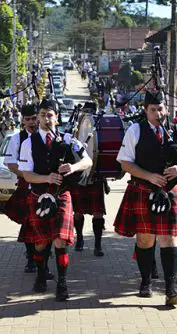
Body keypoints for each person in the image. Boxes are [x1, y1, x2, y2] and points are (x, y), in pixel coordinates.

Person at [114, 91, 177, 306]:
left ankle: (170, 289)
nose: (158, 113)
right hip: (144, 189)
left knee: (169, 238)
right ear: (145, 110)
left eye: (161, 108)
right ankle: (146, 281)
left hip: (171, 192)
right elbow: (125, 163)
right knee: (145, 239)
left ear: (166, 108)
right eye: (153, 109)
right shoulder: (135, 131)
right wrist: (149, 176)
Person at [18, 99, 93, 301]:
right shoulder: (28, 143)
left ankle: (62, 282)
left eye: (50, 115)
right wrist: (46, 178)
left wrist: (72, 167)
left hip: (61, 195)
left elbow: (88, 160)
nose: (45, 118)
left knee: (60, 240)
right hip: (39, 195)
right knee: (41, 243)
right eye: (42, 115)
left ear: (57, 117)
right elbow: (26, 175)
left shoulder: (68, 139)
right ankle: (42, 275)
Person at [3, 104, 41, 273]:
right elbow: (11, 164)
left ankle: (42, 256)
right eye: (28, 119)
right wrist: (27, 174)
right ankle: (31, 258)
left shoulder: (48, 136)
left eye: (34, 118)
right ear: (22, 121)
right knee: (28, 222)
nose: (32, 122)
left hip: (47, 185)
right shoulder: (16, 139)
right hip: (26, 185)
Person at [70, 102, 107, 257]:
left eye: (90, 112)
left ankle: (98, 244)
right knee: (78, 212)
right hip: (79, 176)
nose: (87, 114)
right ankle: (79, 239)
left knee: (98, 213)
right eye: (85, 111)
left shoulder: (100, 129)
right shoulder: (75, 128)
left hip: (96, 176)